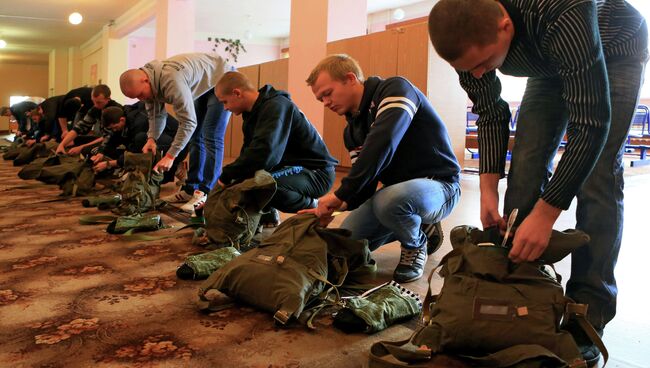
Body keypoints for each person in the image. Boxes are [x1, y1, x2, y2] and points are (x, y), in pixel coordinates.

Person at [428, 0, 648, 364]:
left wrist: (546, 215)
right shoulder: (467, 37)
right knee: (527, 167)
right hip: (548, 61)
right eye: (468, 69)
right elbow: (490, 111)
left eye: (484, 63)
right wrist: (487, 190)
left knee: (598, 177)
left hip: (615, 47)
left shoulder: (562, 10)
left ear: (504, 26)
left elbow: (591, 124)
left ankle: (587, 314)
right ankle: (521, 292)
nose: (478, 75)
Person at [303, 54, 461, 283]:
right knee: (346, 241)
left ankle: (416, 244)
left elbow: (383, 141)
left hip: (441, 185)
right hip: (396, 195)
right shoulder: (351, 132)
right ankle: (423, 226)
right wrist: (336, 208)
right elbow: (365, 183)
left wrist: (339, 194)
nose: (326, 102)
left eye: (327, 93)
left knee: (389, 200)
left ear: (350, 78)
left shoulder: (395, 89)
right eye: (320, 99)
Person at [214, 71, 338, 223]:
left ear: (237, 93)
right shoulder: (252, 113)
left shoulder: (275, 106)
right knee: (247, 181)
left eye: (224, 102)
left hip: (316, 173)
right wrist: (232, 182)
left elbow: (265, 154)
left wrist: (225, 176)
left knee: (262, 186)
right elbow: (249, 154)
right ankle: (268, 217)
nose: (225, 108)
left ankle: (315, 206)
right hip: (293, 169)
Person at [120, 53, 232, 213]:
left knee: (211, 136)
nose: (141, 99)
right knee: (195, 138)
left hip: (220, 77)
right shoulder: (149, 85)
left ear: (146, 80)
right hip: (202, 81)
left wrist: (171, 156)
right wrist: (151, 139)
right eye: (136, 97)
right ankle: (190, 189)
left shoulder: (171, 80)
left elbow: (188, 122)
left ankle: (206, 192)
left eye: (140, 94)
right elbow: (155, 115)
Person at [91, 104, 180, 184]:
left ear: (122, 120)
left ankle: (176, 168)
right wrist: (102, 153)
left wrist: (109, 163)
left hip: (176, 144)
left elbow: (135, 151)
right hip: (160, 140)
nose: (114, 130)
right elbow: (114, 137)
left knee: (141, 140)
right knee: (127, 145)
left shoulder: (139, 123)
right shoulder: (124, 117)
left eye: (115, 127)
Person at [56, 84, 122, 156]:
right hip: (104, 138)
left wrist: (81, 147)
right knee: (73, 140)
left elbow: (108, 137)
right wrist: (62, 144)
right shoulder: (95, 108)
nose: (95, 105)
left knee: (86, 150)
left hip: (114, 142)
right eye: (93, 102)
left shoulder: (115, 110)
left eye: (99, 102)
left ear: (108, 99)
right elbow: (80, 127)